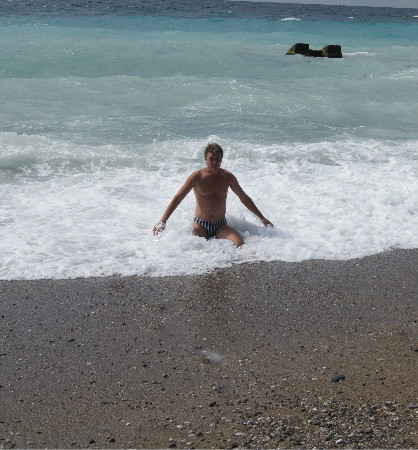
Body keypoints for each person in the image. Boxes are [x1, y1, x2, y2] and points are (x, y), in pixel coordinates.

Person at [152, 143, 273, 246]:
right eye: (212, 159)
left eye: (218, 159)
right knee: (199, 248)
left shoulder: (228, 177)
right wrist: (163, 221)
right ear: (205, 159)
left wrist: (263, 219)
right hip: (200, 224)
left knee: (239, 243)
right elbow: (178, 198)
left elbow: (244, 198)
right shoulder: (197, 177)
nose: (215, 162)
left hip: (220, 225)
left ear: (221, 159)